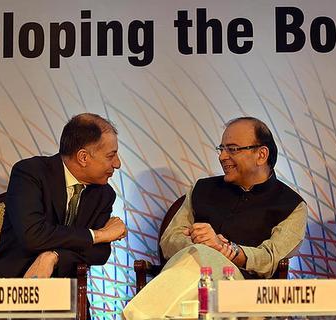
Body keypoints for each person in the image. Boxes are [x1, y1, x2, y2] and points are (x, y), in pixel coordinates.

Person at [123, 117, 307, 318]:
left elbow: (271, 258)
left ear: (261, 155)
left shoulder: (291, 205)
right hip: (190, 292)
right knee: (199, 263)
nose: (222, 156)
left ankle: (138, 314)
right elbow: (169, 240)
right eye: (221, 149)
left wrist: (226, 251)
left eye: (232, 149)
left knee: (202, 261)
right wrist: (202, 247)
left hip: (243, 296)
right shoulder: (201, 189)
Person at [0, 113, 127, 280]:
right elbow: (33, 235)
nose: (117, 163)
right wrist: (98, 235)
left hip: (66, 293)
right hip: (9, 284)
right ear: (83, 157)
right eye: (110, 156)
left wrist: (54, 256)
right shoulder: (30, 173)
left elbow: (100, 252)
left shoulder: (104, 194)